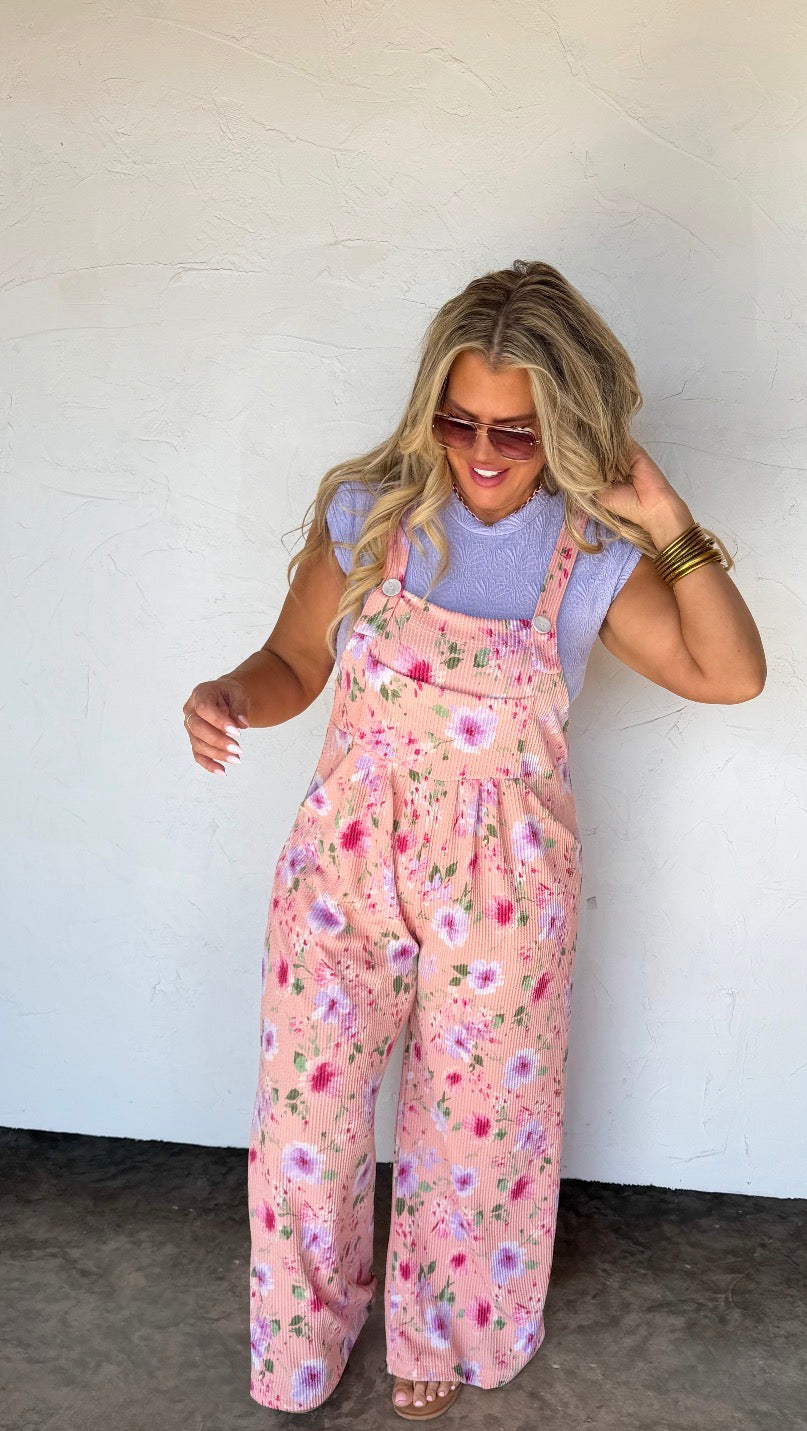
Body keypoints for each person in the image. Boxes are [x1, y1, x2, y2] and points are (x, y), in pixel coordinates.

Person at [182, 260, 766, 1420]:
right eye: (458, 420)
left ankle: (444, 1327)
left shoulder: (588, 555)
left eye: (516, 429)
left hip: (504, 890)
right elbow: (293, 659)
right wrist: (233, 692)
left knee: (478, 1126)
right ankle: (300, 1342)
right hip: (342, 867)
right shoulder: (370, 516)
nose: (483, 452)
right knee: (306, 1120)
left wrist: (668, 525)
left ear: (568, 422)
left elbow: (729, 673)